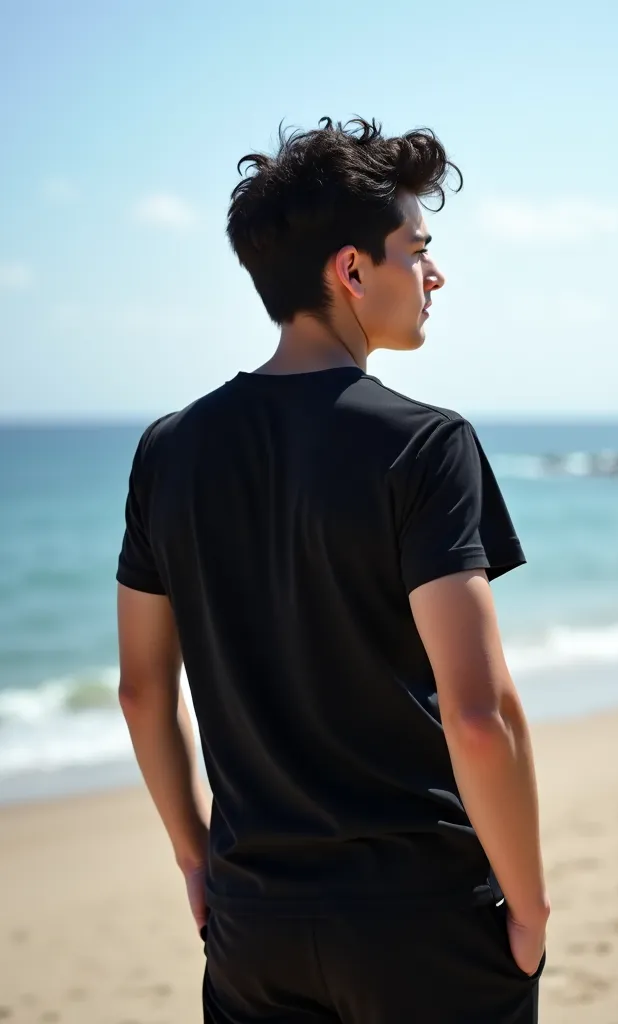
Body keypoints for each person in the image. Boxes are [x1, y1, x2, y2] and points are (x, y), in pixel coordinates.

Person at [117, 117, 549, 1024]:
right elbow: (479, 715)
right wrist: (531, 908)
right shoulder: (428, 445)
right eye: (416, 251)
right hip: (422, 921)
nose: (434, 275)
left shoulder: (168, 450)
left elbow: (143, 694)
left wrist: (199, 864)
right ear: (352, 271)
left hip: (251, 926)